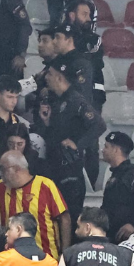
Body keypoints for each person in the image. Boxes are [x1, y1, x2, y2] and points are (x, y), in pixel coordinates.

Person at [0, 151, 71, 260]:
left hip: (46, 259)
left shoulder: (45, 185)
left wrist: (64, 253)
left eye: (2, 169)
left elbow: (64, 218)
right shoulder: (0, 187)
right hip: (13, 261)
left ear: (17, 169)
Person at [44, 60, 106, 223]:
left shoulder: (75, 99)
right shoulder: (58, 100)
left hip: (70, 171)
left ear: (59, 78)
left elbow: (99, 124)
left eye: (50, 73)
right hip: (55, 167)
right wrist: (47, 123)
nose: (46, 77)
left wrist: (78, 145)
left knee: (69, 217)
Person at [101, 132, 134, 242]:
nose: (103, 150)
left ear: (116, 150)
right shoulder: (116, 174)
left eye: (106, 147)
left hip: (126, 237)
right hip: (112, 233)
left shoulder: (133, 175)